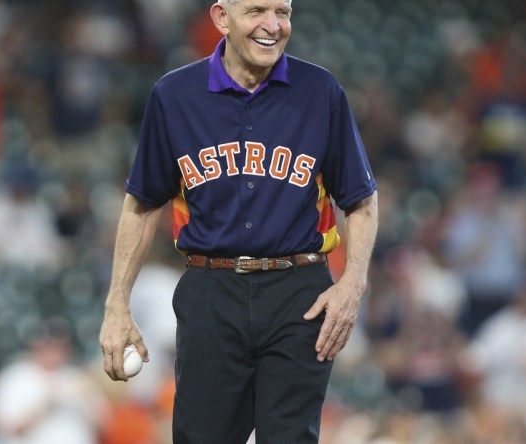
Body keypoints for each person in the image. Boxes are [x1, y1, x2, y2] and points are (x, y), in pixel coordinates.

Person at [98, 0, 379, 442]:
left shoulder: (320, 90)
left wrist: (353, 284)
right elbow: (142, 204)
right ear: (221, 17)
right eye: (256, 11)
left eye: (282, 13)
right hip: (212, 291)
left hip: (299, 293)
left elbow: (361, 201)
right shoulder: (175, 95)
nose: (273, 25)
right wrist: (117, 306)